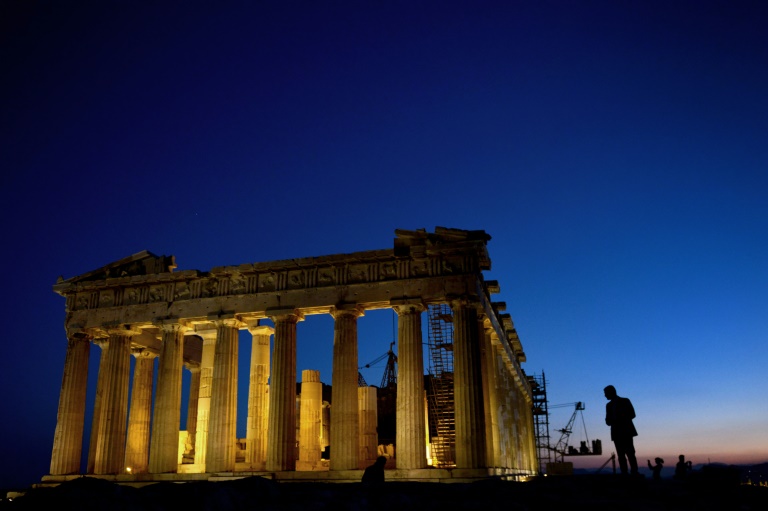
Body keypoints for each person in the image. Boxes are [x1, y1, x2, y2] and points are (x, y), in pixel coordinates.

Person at [604, 385, 638, 475]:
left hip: (626, 432)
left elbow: (632, 414)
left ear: (611, 392)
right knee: (621, 454)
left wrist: (619, 418)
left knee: (630, 453)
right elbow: (607, 421)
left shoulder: (625, 401)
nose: (605, 396)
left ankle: (634, 472)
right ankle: (624, 472)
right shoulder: (608, 405)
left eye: (606, 393)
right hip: (616, 433)